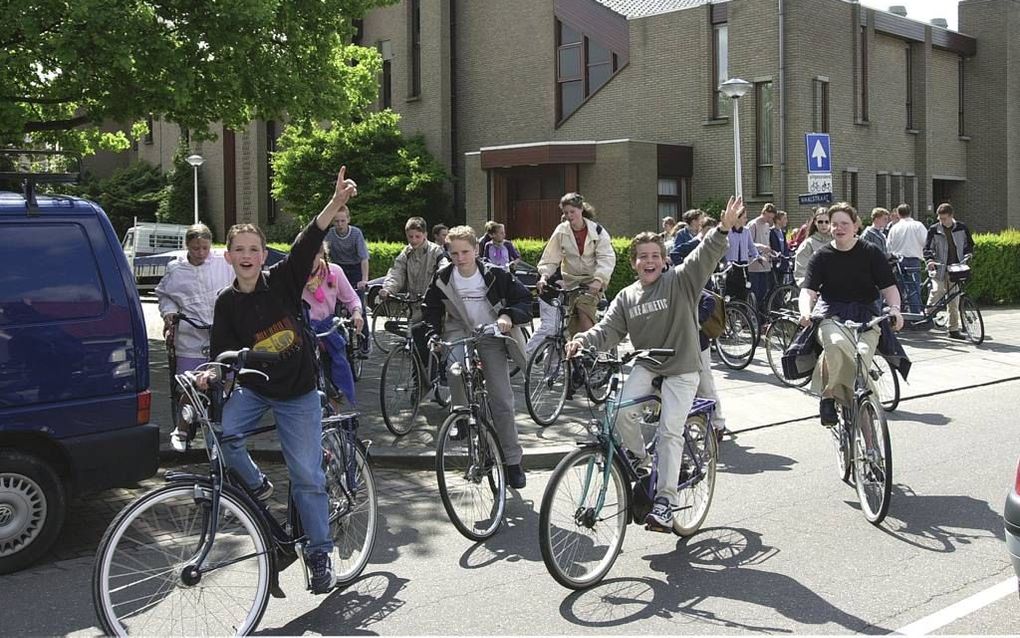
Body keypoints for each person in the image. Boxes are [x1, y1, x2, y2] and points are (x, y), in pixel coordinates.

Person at [197, 167, 358, 595]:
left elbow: (308, 240)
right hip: (256, 388)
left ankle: (319, 554)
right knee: (222, 435)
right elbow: (221, 356)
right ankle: (255, 483)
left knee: (306, 474)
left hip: (298, 390)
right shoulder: (227, 303)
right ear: (228, 256)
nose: (247, 255)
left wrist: (334, 204)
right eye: (239, 249)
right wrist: (209, 374)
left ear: (264, 254)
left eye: (255, 248)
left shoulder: (283, 281)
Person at [565, 196, 743, 530]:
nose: (649, 262)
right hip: (646, 364)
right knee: (618, 411)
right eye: (642, 257)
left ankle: (665, 502)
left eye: (655, 256)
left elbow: (704, 255)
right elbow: (608, 330)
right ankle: (644, 464)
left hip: (682, 367)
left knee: (668, 432)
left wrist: (722, 228)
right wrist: (581, 340)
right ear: (633, 263)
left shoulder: (680, 281)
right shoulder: (627, 297)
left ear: (664, 260)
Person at [422, 226, 533, 488]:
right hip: (459, 330)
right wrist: (433, 335)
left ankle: (512, 461)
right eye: (454, 253)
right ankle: (463, 420)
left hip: (491, 333)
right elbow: (431, 309)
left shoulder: (495, 274)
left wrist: (508, 316)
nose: (460, 258)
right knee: (455, 371)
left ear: (476, 250)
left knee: (501, 398)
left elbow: (524, 300)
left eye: (465, 252)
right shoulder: (443, 277)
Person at [797, 203, 905, 427]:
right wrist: (806, 311)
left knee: (862, 359)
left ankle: (871, 447)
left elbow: (889, 288)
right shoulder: (821, 256)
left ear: (856, 225)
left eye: (844, 223)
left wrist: (895, 309)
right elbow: (807, 290)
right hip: (831, 314)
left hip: (866, 315)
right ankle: (827, 396)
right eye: (834, 224)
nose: (838, 228)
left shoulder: (871, 252)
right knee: (835, 344)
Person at [155, 223, 234, 452]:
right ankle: (181, 427)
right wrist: (169, 314)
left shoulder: (222, 262)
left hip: (220, 331)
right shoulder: (176, 269)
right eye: (195, 248)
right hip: (191, 335)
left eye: (205, 248)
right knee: (189, 384)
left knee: (227, 379)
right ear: (187, 246)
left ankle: (226, 426)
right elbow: (164, 295)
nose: (200, 253)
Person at [529, 192, 616, 354]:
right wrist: (544, 276)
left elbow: (606, 257)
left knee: (583, 308)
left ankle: (594, 354)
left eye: (572, 212)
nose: (569, 216)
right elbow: (551, 257)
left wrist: (599, 280)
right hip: (570, 281)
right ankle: (576, 357)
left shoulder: (597, 231)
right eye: (566, 212)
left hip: (592, 281)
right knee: (568, 322)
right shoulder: (561, 231)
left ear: (581, 209)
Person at [302, 241, 364, 406]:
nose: (308, 260)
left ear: (321, 254)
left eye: (313, 254)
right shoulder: (293, 274)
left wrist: (357, 312)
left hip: (326, 328)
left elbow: (351, 298)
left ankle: (336, 413)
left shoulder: (334, 272)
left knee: (336, 366)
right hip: (303, 330)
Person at [924, 203, 974, 340]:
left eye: (944, 218)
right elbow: (927, 248)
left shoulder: (962, 228)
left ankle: (953, 329)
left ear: (951, 216)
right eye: (940, 218)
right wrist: (930, 260)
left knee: (954, 300)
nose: (942, 221)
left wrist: (968, 254)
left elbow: (969, 244)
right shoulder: (934, 229)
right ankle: (925, 316)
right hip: (939, 267)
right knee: (937, 291)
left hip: (956, 268)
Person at [324, 206, 370, 351]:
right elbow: (324, 256)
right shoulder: (330, 235)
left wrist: (364, 279)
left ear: (348, 220)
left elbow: (364, 258)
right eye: (337, 221)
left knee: (358, 305)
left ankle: (364, 340)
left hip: (355, 268)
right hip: (338, 269)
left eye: (343, 221)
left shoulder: (356, 234)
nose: (340, 224)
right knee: (333, 304)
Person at [379, 216, 446, 313]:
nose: (414, 240)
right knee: (412, 327)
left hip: (432, 303)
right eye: (410, 236)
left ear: (425, 235)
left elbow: (444, 269)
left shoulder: (436, 251)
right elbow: (397, 272)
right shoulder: (406, 253)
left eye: (417, 236)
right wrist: (388, 289)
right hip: (412, 304)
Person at [885, 203, 928, 314]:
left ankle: (900, 314)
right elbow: (925, 242)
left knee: (899, 289)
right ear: (910, 212)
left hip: (897, 261)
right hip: (913, 260)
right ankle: (915, 314)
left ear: (898, 214)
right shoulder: (918, 226)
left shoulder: (894, 228)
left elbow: (888, 246)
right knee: (914, 288)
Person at [722, 209, 758, 302]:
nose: (746, 220)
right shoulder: (728, 231)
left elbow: (751, 245)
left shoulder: (746, 231)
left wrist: (757, 256)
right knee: (730, 289)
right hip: (731, 265)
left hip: (743, 264)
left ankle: (742, 311)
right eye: (744, 217)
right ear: (737, 218)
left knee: (744, 289)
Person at [748, 203, 777, 312]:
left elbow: (767, 242)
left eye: (771, 218)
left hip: (765, 264)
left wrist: (771, 252)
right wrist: (761, 247)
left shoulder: (767, 226)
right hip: (754, 265)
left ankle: (762, 315)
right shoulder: (753, 225)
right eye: (768, 217)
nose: (769, 220)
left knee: (764, 292)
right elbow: (748, 243)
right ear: (763, 213)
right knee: (756, 293)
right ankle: (754, 315)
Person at [793, 208, 832, 287]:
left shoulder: (837, 241)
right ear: (815, 223)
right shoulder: (808, 244)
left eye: (827, 222)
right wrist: (810, 289)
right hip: (816, 292)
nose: (824, 225)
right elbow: (800, 272)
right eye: (820, 222)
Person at [770, 210, 792, 285]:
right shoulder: (771, 232)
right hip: (774, 263)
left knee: (781, 285)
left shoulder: (783, 233)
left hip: (783, 263)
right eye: (784, 218)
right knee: (774, 285)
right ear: (778, 220)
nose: (787, 221)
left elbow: (785, 247)